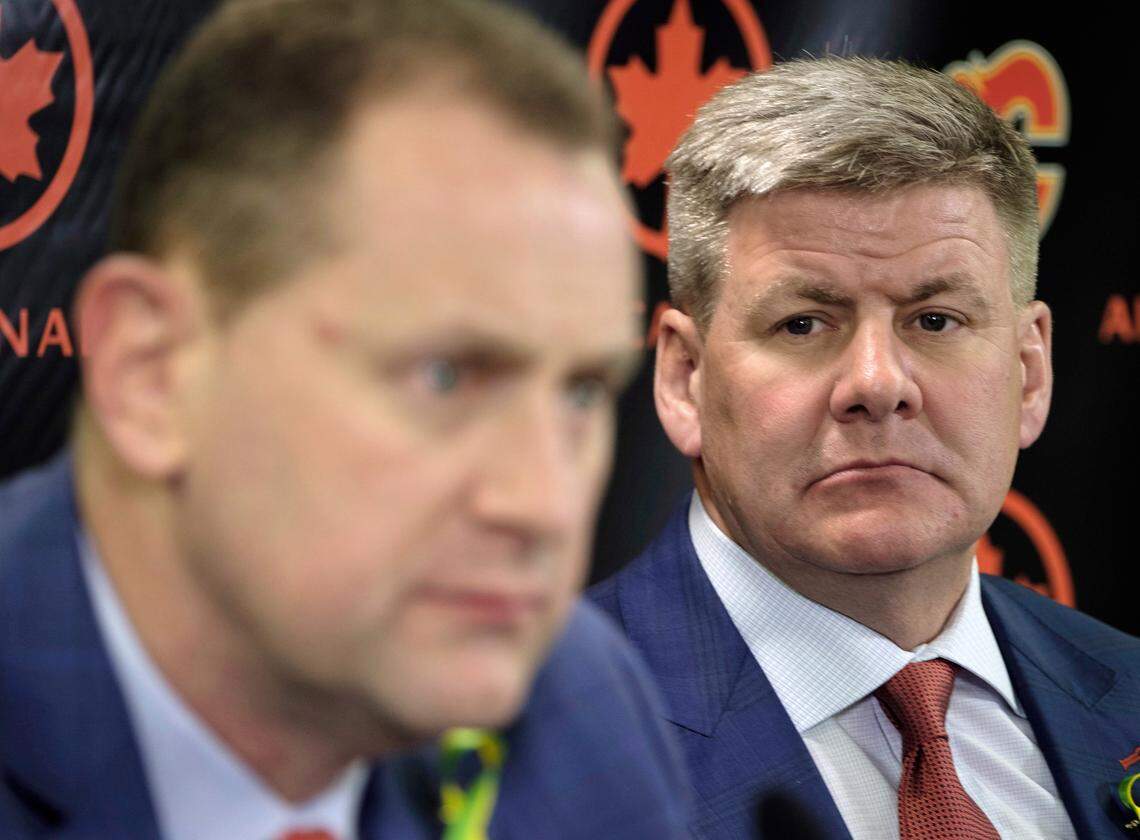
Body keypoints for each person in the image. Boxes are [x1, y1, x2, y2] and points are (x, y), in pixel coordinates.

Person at [0, 0, 692, 837]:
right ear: (152, 372)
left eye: (581, 392)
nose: (543, 504)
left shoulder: (583, 719)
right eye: (446, 377)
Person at [590, 56, 1140, 839]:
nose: (878, 383)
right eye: (803, 324)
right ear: (685, 378)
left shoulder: (1128, 694)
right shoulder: (525, 741)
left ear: (1029, 373)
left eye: (936, 320)